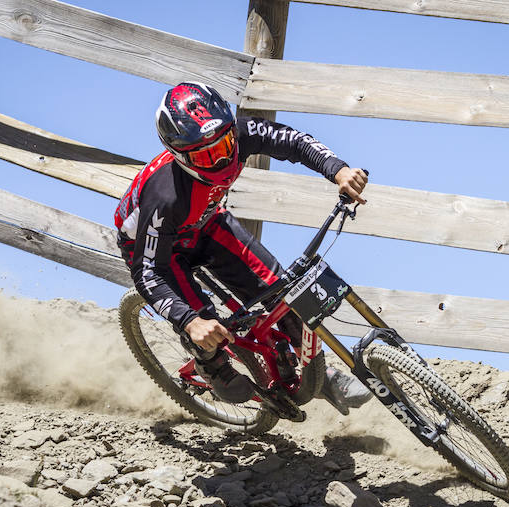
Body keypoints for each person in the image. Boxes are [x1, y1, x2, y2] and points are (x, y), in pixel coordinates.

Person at [115, 81, 371, 414]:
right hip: (157, 251)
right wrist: (190, 322)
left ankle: (322, 376)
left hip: (206, 223)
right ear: (179, 155)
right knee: (204, 326)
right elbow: (148, 271)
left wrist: (337, 170)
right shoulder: (164, 196)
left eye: (224, 146)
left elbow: (293, 142)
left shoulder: (241, 131)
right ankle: (212, 366)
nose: (221, 160)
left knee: (283, 291)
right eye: (206, 155)